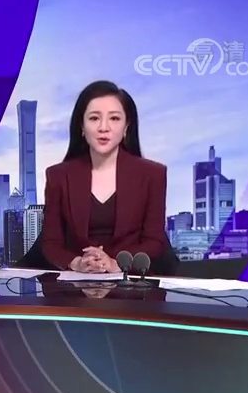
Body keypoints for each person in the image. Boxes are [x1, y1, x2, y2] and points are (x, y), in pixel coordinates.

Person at [40, 80, 169, 274]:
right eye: (94, 118)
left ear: (126, 126)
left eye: (114, 118)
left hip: (130, 283)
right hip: (75, 284)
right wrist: (77, 263)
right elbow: (51, 243)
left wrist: (115, 263)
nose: (103, 127)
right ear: (82, 126)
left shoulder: (152, 175)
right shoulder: (58, 176)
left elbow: (155, 242)